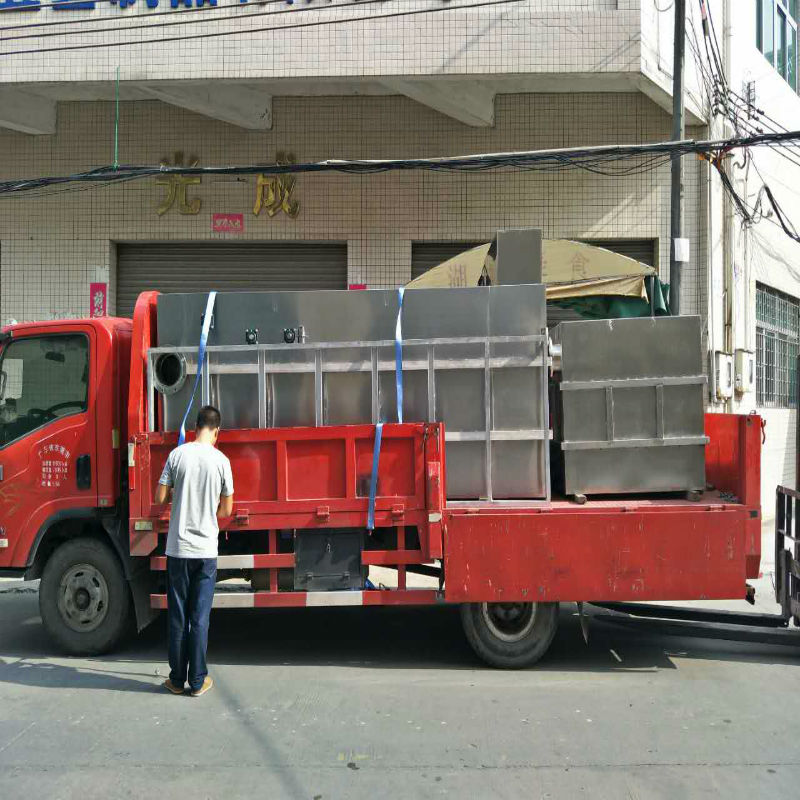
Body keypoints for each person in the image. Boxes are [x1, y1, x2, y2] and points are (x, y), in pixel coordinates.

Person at [154, 405, 234, 697]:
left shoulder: (177, 455)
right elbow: (226, 509)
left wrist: (178, 494)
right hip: (205, 552)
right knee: (199, 618)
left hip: (178, 550)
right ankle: (198, 681)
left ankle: (176, 679)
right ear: (216, 431)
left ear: (195, 427)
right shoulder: (221, 460)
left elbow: (159, 496)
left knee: (178, 616)